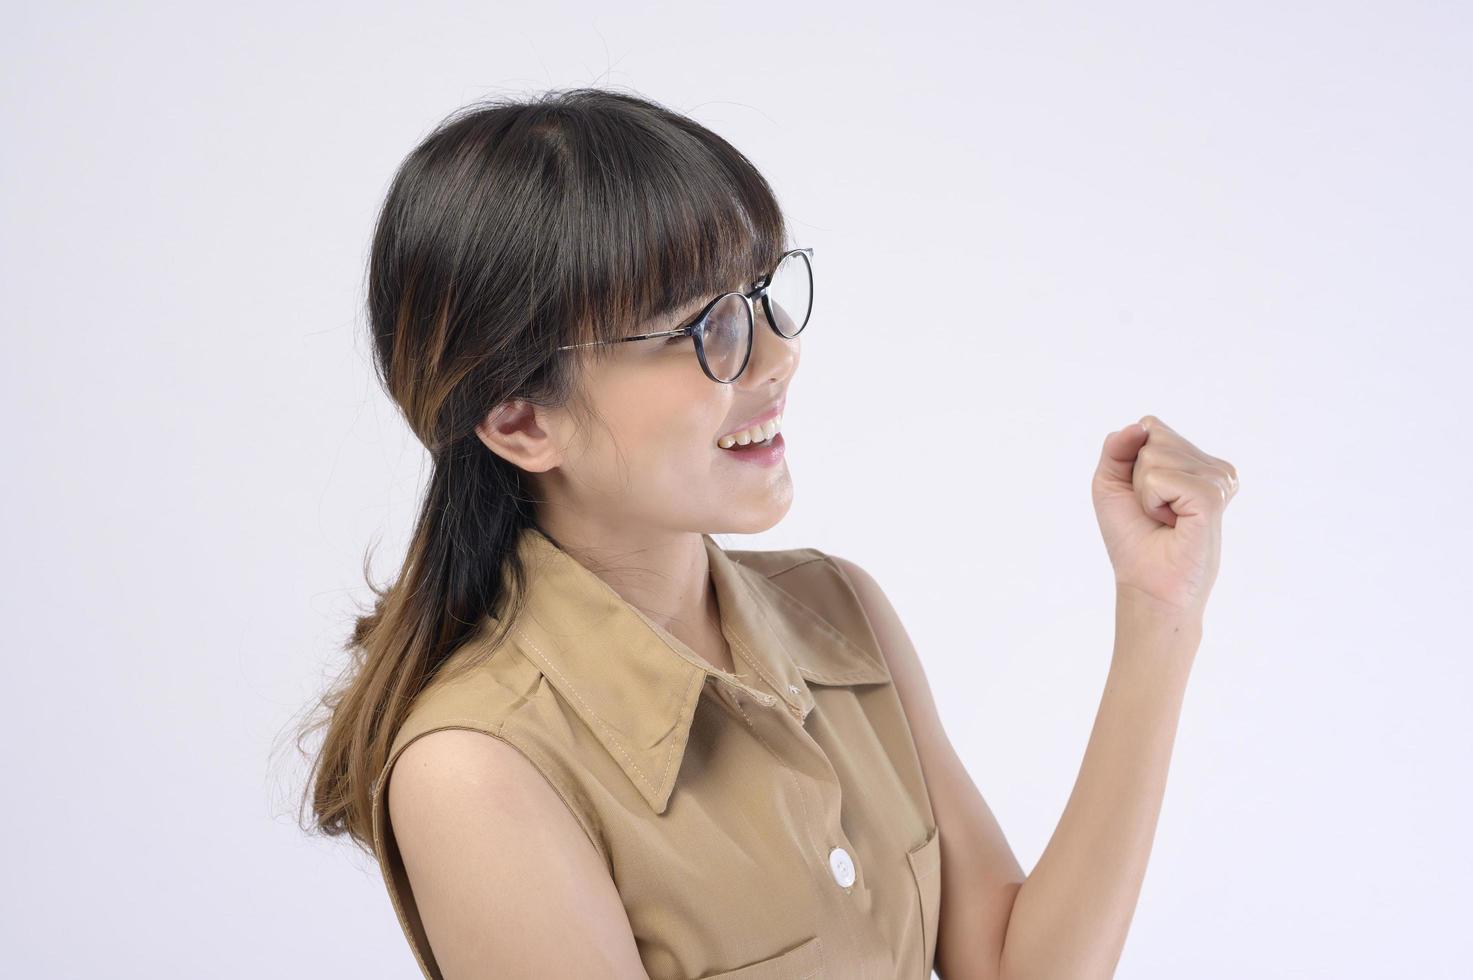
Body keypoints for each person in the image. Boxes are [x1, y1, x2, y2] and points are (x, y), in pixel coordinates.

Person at [299, 86, 1238, 980]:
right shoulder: (477, 767)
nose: (779, 357)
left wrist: (1159, 614)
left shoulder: (838, 611)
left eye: (758, 293)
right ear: (521, 424)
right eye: (701, 325)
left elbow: (1011, 964)